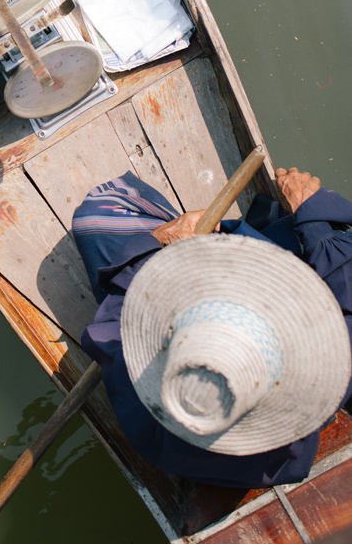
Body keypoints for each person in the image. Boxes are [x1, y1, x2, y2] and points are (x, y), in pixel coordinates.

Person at [72, 166, 352, 488]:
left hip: (185, 444)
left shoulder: (144, 392)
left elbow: (118, 313)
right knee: (305, 236)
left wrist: (164, 242)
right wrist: (313, 220)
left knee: (96, 217)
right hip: (274, 448)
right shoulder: (326, 356)